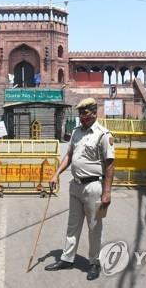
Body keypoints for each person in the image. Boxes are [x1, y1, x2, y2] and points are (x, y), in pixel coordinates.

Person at [45, 98, 115, 281]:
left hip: (94, 187)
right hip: (75, 185)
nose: (82, 116)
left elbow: (109, 165)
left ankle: (94, 263)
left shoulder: (103, 134)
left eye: (85, 113)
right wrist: (56, 174)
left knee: (94, 226)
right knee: (72, 225)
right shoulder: (76, 132)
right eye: (80, 113)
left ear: (94, 113)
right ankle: (67, 258)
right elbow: (69, 156)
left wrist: (107, 192)